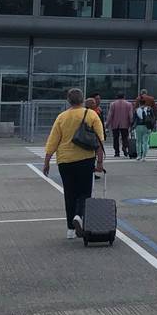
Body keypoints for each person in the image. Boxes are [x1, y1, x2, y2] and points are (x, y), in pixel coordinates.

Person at [41, 88, 105, 240]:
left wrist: (47, 161)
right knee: (84, 192)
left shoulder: (61, 117)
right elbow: (99, 141)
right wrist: (100, 162)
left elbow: (53, 140)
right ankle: (79, 216)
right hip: (85, 159)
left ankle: (70, 229)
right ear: (83, 100)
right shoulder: (91, 115)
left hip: (65, 160)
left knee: (69, 193)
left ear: (68, 101)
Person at [132, 93, 156, 162]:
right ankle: (144, 156)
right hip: (147, 126)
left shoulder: (136, 110)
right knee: (145, 142)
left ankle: (138, 155)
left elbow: (134, 119)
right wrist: (152, 126)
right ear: (145, 103)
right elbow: (153, 118)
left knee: (138, 142)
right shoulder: (149, 109)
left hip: (138, 126)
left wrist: (132, 127)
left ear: (139, 103)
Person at [107, 93, 132, 157]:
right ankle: (124, 147)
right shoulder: (128, 104)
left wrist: (107, 123)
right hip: (125, 124)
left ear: (117, 97)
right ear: (124, 97)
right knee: (125, 137)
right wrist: (131, 122)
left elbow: (110, 114)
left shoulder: (113, 104)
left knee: (115, 138)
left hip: (115, 124)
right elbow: (130, 115)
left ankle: (117, 152)